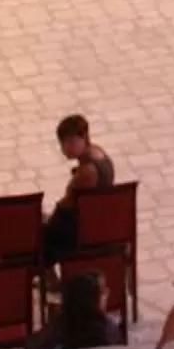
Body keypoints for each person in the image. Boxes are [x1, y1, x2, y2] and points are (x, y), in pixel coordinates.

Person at [41, 111, 115, 262]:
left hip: (81, 232)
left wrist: (47, 221)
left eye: (69, 142)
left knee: (40, 238)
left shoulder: (87, 172)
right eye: (62, 143)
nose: (64, 149)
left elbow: (66, 206)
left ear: (84, 138)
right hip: (99, 220)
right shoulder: (98, 153)